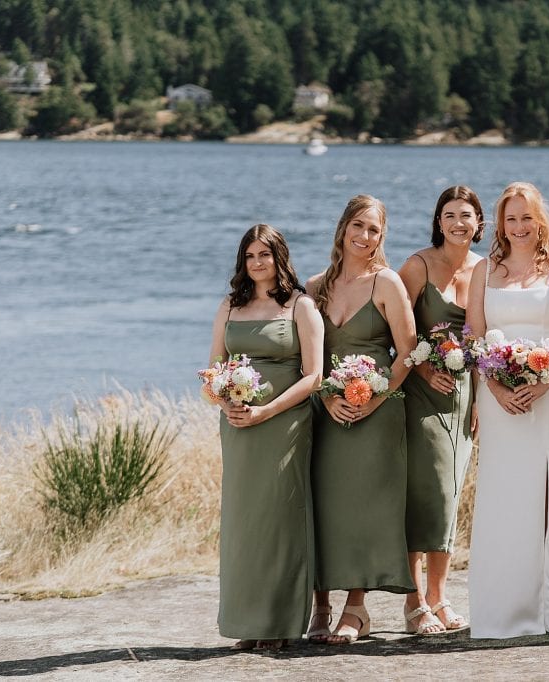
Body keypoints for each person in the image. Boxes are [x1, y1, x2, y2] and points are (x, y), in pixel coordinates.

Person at [464, 181, 549, 639]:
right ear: (500, 224)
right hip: (498, 399)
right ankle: (505, 608)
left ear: (541, 222)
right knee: (506, 494)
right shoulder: (484, 270)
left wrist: (545, 382)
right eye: (510, 219)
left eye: (526, 218)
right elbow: (474, 335)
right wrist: (495, 388)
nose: (518, 227)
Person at [206, 224, 324, 651]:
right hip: (238, 427)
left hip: (285, 424)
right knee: (244, 522)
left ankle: (279, 622)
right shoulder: (229, 306)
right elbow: (212, 371)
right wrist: (228, 406)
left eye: (265, 255)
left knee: (280, 520)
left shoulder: (300, 306)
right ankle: (246, 621)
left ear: (280, 258)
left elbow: (314, 376)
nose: (257, 263)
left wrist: (267, 411)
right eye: (250, 255)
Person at [306, 195, 418, 644]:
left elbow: (408, 352)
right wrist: (325, 396)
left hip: (377, 413)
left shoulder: (387, 283)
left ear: (381, 236)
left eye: (374, 229)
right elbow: (303, 356)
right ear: (343, 228)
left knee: (365, 507)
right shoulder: (314, 287)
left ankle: (356, 608)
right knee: (321, 505)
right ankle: (319, 604)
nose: (364, 236)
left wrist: (374, 400)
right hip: (325, 411)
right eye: (358, 225)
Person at [397, 186, 484, 635]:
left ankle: (440, 598)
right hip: (420, 393)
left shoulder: (484, 269)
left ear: (479, 223)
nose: (457, 223)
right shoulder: (417, 266)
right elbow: (395, 331)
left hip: (466, 395)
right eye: (449, 214)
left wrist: (482, 401)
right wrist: (424, 372)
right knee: (425, 494)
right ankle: (414, 603)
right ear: (438, 220)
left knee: (449, 495)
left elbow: (487, 340)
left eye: (466, 215)